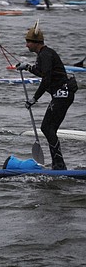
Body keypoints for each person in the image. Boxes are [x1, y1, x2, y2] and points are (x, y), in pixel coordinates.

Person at [15, 23, 78, 170]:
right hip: (60, 95)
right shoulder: (42, 55)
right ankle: (58, 164)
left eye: (28, 42)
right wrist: (28, 67)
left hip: (63, 94)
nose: (26, 45)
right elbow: (42, 72)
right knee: (48, 129)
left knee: (47, 128)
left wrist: (34, 99)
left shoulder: (46, 54)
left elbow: (46, 79)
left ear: (36, 43)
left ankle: (59, 165)